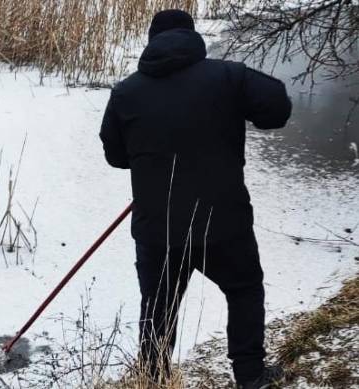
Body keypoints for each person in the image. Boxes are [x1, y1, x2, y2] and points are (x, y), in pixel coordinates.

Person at [99, 9, 292, 389]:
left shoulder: (125, 92)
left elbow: (116, 156)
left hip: (158, 227)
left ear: (151, 41)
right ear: (193, 37)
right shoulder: (229, 76)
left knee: (158, 308)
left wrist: (152, 157)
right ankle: (250, 375)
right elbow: (277, 110)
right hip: (224, 223)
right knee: (244, 290)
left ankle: (152, 378)